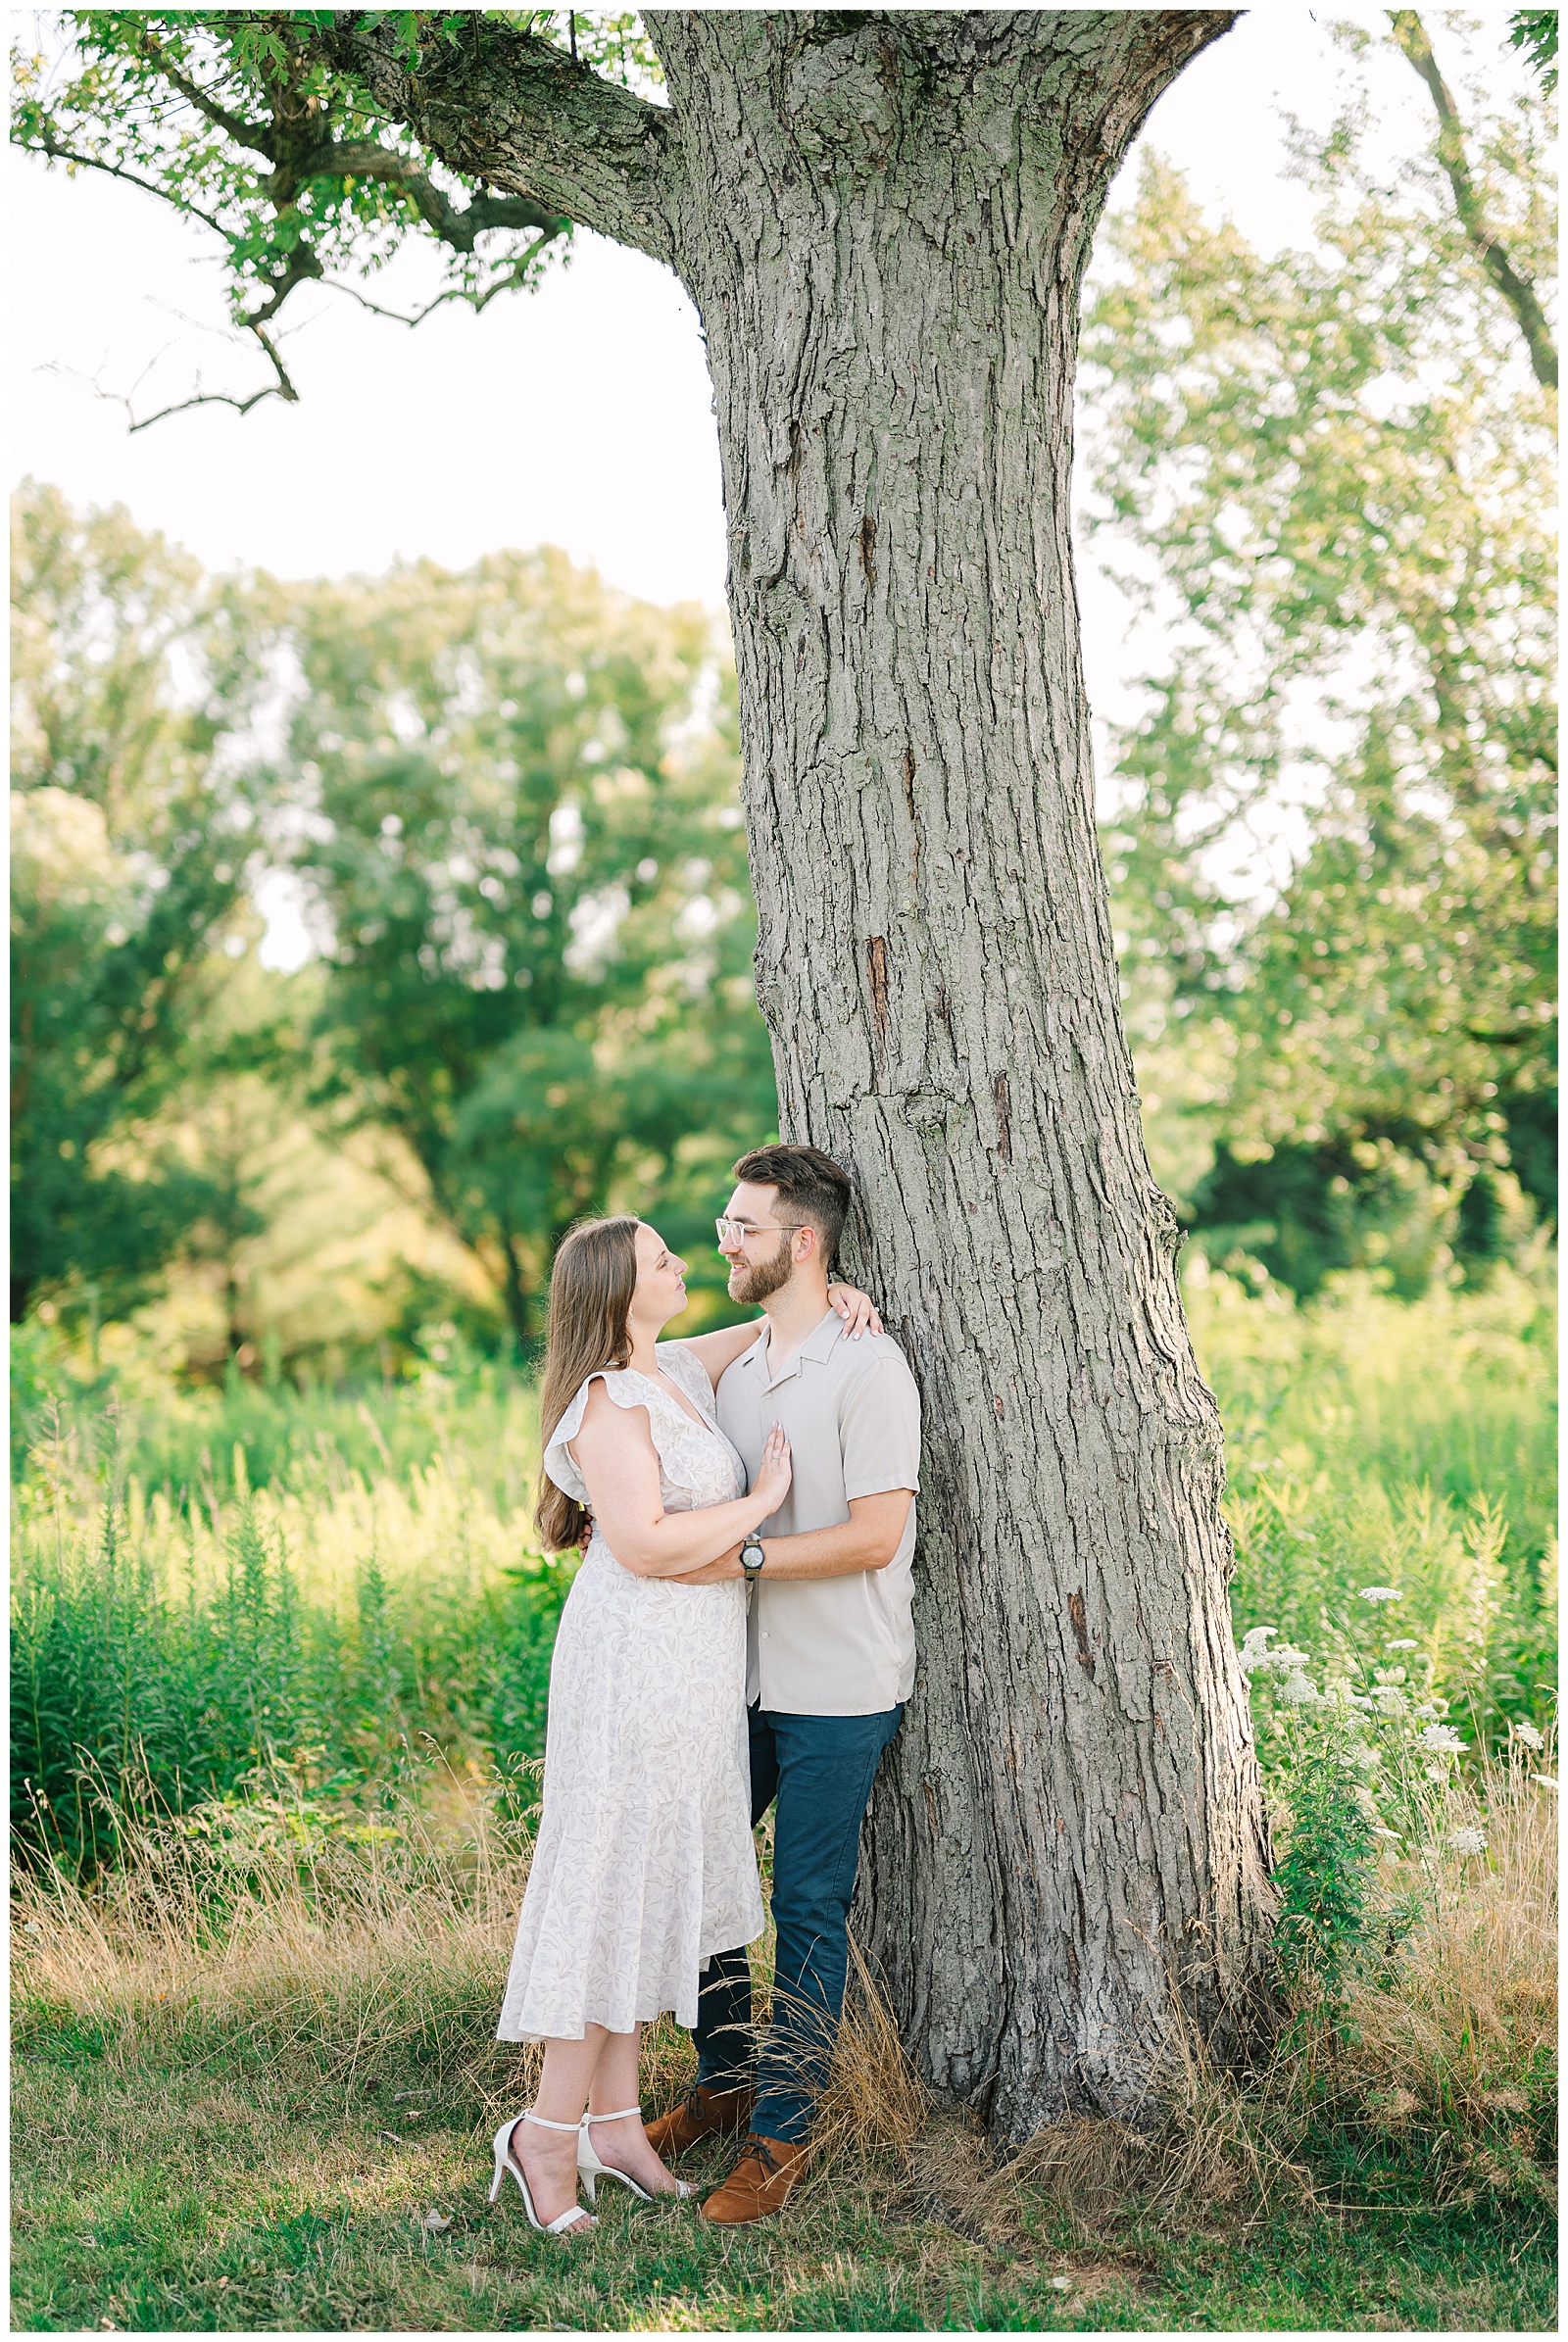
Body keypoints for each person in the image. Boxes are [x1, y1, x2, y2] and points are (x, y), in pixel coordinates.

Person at [490, 1211, 880, 2239]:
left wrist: (832, 1295)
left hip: (695, 1669)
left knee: (651, 1886)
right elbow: (648, 1543)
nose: (683, 1262)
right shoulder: (607, 1403)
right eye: (663, 1256)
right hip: (636, 1667)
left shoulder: (671, 1371)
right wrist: (761, 1500)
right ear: (620, 1289)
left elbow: (762, 1329)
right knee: (614, 1888)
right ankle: (543, 2130)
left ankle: (617, 2126)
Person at [644, 1144, 922, 2225]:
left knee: (808, 1905)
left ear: (802, 1240)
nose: (723, 1239)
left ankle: (783, 2134)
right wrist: (788, 1308)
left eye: (744, 1227)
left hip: (839, 1682)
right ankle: (722, 2081)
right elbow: (646, 1363)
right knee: (702, 1874)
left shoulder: (871, 1368)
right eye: (723, 1222)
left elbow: (875, 1534)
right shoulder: (743, 1359)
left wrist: (743, 1556)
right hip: (736, 1676)